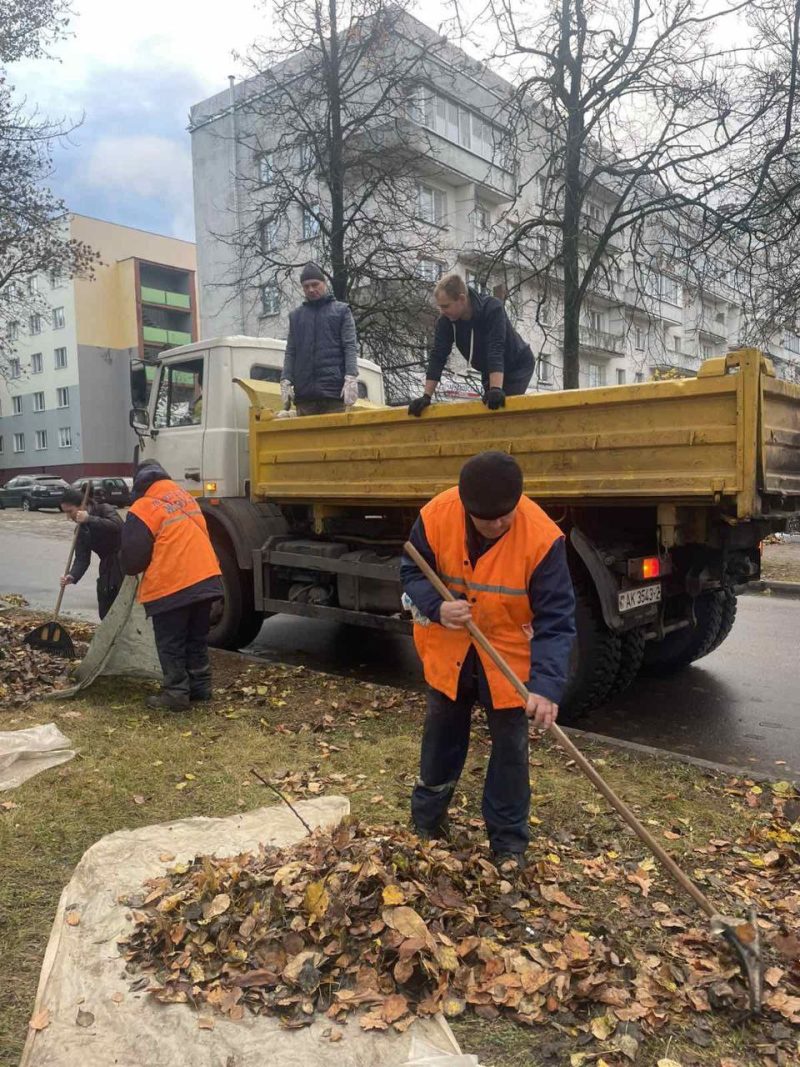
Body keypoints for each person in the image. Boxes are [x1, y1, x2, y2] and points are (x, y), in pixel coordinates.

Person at [400, 451, 576, 868]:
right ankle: (426, 823)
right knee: (440, 742)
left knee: (511, 754)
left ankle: (508, 845)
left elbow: (557, 619)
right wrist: (438, 607)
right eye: (486, 519)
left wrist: (547, 687)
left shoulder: (542, 538)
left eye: (505, 516)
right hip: (450, 655)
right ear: (465, 507)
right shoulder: (436, 516)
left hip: (507, 665)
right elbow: (411, 571)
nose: (497, 525)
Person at [120, 461, 223, 710]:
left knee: (171, 643)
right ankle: (201, 688)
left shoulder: (143, 508)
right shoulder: (187, 499)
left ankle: (176, 694)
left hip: (173, 584)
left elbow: (132, 561)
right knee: (196, 639)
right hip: (206, 579)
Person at [408, 274, 535, 416]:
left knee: (503, 411)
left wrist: (496, 389)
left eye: (446, 306)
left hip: (517, 364)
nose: (442, 311)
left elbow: (496, 348)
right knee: (491, 412)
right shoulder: (446, 321)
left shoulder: (493, 308)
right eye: (440, 307)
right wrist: (426, 396)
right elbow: (438, 356)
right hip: (490, 370)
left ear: (462, 299)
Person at [280, 262, 360, 416]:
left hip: (333, 394)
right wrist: (286, 378)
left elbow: (349, 346)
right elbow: (291, 351)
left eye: (315, 284)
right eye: (306, 286)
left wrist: (351, 376)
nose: (311, 289)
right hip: (305, 396)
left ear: (324, 283)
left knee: (334, 438)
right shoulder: (296, 317)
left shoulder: (342, 311)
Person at [59, 486, 124, 619]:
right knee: (106, 606)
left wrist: (90, 519)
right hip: (107, 566)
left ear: (83, 505)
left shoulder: (104, 509)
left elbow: (117, 526)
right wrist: (72, 575)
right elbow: (82, 559)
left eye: (70, 511)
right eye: (65, 512)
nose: (68, 516)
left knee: (124, 602)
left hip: (126, 561)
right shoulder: (80, 531)